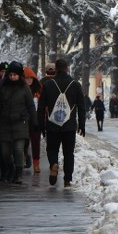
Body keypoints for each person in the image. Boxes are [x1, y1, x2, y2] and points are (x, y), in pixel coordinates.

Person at [37, 58, 85, 187]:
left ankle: (54, 164)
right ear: (67, 68)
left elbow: (41, 107)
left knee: (52, 149)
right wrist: (82, 125)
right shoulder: (75, 85)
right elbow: (81, 106)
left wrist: (41, 125)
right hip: (69, 126)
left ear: (56, 69)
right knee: (69, 153)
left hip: (53, 125)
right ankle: (67, 180)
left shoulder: (48, 85)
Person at [0, 61, 37, 184]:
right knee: (5, 151)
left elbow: (31, 105)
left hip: (20, 122)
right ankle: (10, 168)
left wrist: (35, 121)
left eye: (15, 75)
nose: (12, 77)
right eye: (10, 75)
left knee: (18, 149)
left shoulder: (24, 88)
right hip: (5, 123)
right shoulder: (3, 88)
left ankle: (18, 173)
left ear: (19, 75)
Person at [23, 65, 42, 173]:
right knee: (24, 141)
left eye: (31, 78)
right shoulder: (21, 90)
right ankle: (24, 157)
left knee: (36, 142)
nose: (29, 80)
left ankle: (36, 163)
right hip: (24, 121)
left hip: (36, 121)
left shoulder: (38, 91)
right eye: (27, 78)